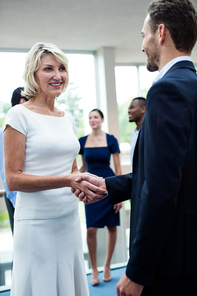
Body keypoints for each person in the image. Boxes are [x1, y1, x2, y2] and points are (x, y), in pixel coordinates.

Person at [73, 0, 197, 295]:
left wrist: (138, 270)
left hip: (169, 263)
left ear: (161, 32)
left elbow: (161, 187)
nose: (142, 45)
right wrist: (109, 185)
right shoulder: (191, 85)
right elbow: (179, 170)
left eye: (144, 35)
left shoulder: (165, 90)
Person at [3, 42, 106, 296]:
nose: (58, 75)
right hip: (36, 222)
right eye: (48, 68)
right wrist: (69, 180)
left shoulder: (67, 118)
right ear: (33, 74)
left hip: (69, 217)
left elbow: (72, 170)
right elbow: (13, 179)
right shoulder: (18, 115)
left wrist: (84, 189)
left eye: (62, 68)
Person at [78, 108, 122, 286]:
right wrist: (67, 179)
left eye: (95, 117)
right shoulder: (82, 141)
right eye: (90, 117)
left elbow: (118, 169)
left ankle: (107, 266)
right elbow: (82, 167)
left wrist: (119, 193)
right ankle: (94, 268)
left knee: (112, 226)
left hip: (109, 186)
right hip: (90, 188)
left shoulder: (111, 140)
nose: (92, 120)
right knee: (91, 229)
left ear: (102, 119)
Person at [0, 87, 28, 234]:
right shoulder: (9, 130)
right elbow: (6, 171)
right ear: (22, 102)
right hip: (17, 196)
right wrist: (17, 199)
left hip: (19, 195)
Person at [128, 97, 145, 172]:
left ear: (143, 109)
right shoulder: (133, 135)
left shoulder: (151, 134)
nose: (129, 111)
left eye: (132, 108)